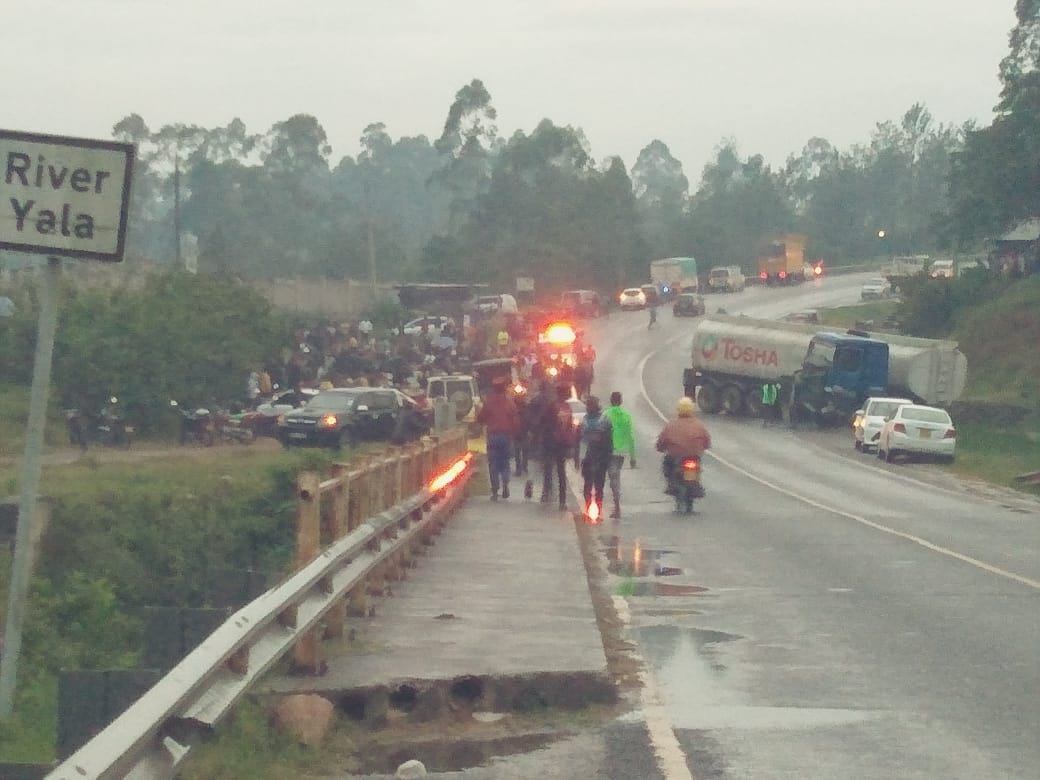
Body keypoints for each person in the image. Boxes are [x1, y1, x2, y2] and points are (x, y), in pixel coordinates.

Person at [475, 375, 521, 501]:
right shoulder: (510, 403)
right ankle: (505, 483)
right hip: (506, 437)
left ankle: (495, 491)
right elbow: (516, 421)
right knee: (505, 462)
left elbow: (480, 418)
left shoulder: (489, 402)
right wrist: (515, 434)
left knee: (493, 464)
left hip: (493, 437)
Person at [655, 396, 711, 494]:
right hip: (694, 456)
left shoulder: (671, 425)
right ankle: (696, 484)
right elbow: (707, 441)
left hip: (676, 456)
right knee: (697, 464)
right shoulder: (699, 425)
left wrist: (660, 448)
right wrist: (702, 447)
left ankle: (671, 484)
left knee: (667, 464)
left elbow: (662, 441)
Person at [537, 383, 575, 510]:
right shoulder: (567, 407)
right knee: (561, 471)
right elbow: (570, 427)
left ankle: (546, 493)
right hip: (562, 443)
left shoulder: (552, 406)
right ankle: (562, 501)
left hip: (550, 442)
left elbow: (542, 421)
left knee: (548, 469)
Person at [604, 391, 637, 519]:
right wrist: (633, 457)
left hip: (609, 451)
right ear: (621, 401)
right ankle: (616, 505)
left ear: (611, 401)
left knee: (613, 478)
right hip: (621, 452)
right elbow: (631, 436)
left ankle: (617, 506)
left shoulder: (606, 415)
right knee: (615, 476)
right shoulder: (626, 415)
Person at [578, 395, 613, 516]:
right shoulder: (585, 421)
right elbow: (578, 439)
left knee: (597, 485)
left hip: (598, 458)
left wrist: (607, 456)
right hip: (590, 458)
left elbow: (609, 441)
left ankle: (596, 508)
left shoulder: (603, 420)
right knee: (591, 485)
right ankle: (591, 508)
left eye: (590, 405)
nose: (589, 407)